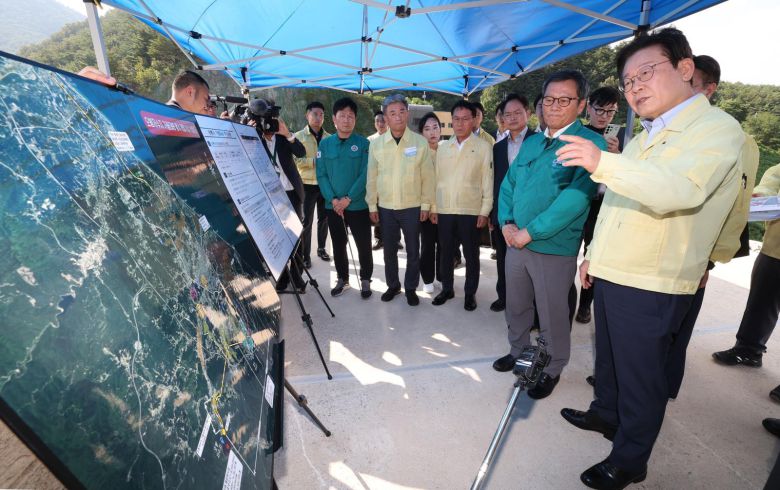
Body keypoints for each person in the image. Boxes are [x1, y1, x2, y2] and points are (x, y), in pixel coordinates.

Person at [557, 28, 745, 489]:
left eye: (646, 73)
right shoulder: (644, 135)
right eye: (628, 81)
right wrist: (594, 256)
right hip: (615, 267)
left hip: (654, 277)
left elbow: (679, 191)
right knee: (610, 358)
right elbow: (618, 203)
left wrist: (602, 163)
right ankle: (605, 413)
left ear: (685, 68)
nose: (635, 87)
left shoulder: (718, 130)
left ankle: (630, 459)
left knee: (642, 376)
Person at [492, 70, 605, 402]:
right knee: (516, 305)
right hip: (515, 241)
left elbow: (576, 198)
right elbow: (509, 185)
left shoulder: (589, 145)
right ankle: (518, 350)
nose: (554, 106)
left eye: (564, 99)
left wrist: (530, 232)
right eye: (549, 99)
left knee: (552, 312)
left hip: (553, 247)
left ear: (581, 105)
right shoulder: (532, 142)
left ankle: (552, 367)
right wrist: (507, 223)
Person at [366, 94, 435, 306]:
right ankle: (393, 285)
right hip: (386, 207)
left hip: (412, 207)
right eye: (392, 113)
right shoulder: (377, 144)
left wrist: (426, 205)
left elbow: (428, 177)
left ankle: (411, 288)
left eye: (402, 112)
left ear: (407, 113)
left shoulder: (420, 142)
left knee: (413, 250)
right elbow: (372, 176)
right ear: (385, 117)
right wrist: (372, 205)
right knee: (389, 251)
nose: (398, 116)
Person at [711, 163, 779, 370]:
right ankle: (748, 350)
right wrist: (760, 196)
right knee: (761, 302)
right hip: (775, 249)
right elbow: (771, 182)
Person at [430, 101, 493, 311]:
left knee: (471, 254)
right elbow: (435, 179)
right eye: (456, 119)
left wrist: (485, 210)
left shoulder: (483, 147)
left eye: (465, 119)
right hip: (445, 209)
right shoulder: (443, 147)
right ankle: (447, 289)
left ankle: (470, 293)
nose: (460, 123)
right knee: (445, 252)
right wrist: (434, 207)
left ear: (473, 120)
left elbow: (487, 181)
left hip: (471, 210)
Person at [575, 86, 624, 324]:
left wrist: (617, 154)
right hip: (577, 202)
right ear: (588, 107)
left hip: (602, 206)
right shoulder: (579, 134)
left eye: (610, 111)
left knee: (592, 257)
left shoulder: (619, 139)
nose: (604, 116)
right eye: (600, 110)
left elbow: (624, 175)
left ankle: (585, 305)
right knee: (567, 255)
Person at [316, 98, 373, 299]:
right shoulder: (325, 144)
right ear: (334, 119)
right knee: (338, 244)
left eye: (350, 116)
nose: (346, 120)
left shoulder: (364, 144)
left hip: (357, 205)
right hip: (333, 206)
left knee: (363, 244)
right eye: (342, 116)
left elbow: (365, 174)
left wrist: (348, 198)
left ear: (355, 119)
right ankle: (342, 279)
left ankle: (366, 279)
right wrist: (333, 200)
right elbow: (321, 174)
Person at [489, 93, 533, 313]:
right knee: (503, 259)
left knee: (529, 263)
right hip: (503, 214)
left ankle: (529, 304)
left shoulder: (539, 142)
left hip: (531, 213)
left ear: (528, 113)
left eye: (518, 112)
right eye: (508, 114)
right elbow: (496, 182)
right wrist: (493, 213)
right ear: (502, 118)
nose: (513, 118)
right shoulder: (497, 147)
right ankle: (504, 297)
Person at [258, 104, 308, 293]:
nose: (269, 124)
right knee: (276, 238)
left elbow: (301, 152)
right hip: (269, 197)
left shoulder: (283, 137)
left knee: (295, 236)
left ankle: (297, 276)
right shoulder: (253, 138)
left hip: (290, 193)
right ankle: (282, 276)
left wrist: (288, 134)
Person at [294, 101, 331, 269]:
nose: (318, 117)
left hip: (324, 184)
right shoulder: (298, 137)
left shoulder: (329, 138)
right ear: (307, 115)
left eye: (321, 114)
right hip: (306, 185)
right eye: (315, 114)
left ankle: (321, 248)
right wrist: (314, 162)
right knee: (306, 221)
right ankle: (305, 255)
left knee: (324, 218)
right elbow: (296, 161)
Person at [418, 112, 443, 294]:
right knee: (427, 245)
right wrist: (428, 207)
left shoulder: (448, 151)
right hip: (425, 208)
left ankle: (441, 276)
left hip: (445, 207)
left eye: (435, 127)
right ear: (421, 133)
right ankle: (427, 279)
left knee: (444, 244)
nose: (432, 132)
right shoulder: (418, 154)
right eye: (427, 129)